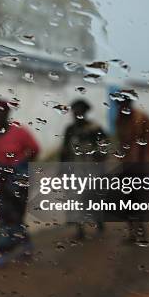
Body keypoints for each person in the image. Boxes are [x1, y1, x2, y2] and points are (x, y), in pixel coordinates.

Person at [0, 98, 40, 268]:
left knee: (16, 214)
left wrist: (21, 165)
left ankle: (15, 247)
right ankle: (7, 249)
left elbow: (35, 149)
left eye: (1, 111)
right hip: (0, 180)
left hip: (18, 180)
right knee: (4, 215)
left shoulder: (20, 131)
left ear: (7, 114)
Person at [115, 97, 149, 244]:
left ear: (129, 103)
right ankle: (132, 233)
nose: (122, 106)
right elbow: (122, 143)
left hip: (142, 166)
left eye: (124, 103)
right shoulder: (119, 120)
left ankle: (140, 233)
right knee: (126, 201)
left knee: (138, 200)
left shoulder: (141, 118)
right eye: (120, 103)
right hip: (126, 165)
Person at [60, 99, 107, 240]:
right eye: (74, 111)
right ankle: (80, 229)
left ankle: (99, 221)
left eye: (79, 111)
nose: (76, 114)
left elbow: (103, 148)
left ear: (85, 112)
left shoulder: (95, 128)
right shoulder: (70, 130)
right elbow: (64, 151)